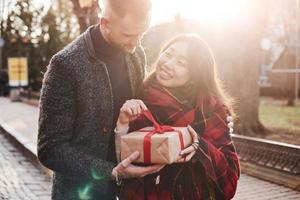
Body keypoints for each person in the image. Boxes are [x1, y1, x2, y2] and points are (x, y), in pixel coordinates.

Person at [37, 0, 164, 199]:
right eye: (129, 35)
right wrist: (111, 172)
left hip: (129, 191)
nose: (137, 42)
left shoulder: (136, 54)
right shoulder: (64, 64)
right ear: (105, 23)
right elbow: (50, 149)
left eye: (142, 33)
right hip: (78, 193)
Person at [114, 34, 240, 200]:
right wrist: (122, 125)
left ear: (195, 74)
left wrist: (199, 148)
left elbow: (229, 181)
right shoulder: (138, 98)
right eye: (167, 54)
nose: (168, 64)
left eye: (181, 63)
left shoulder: (210, 109)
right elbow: (120, 159)